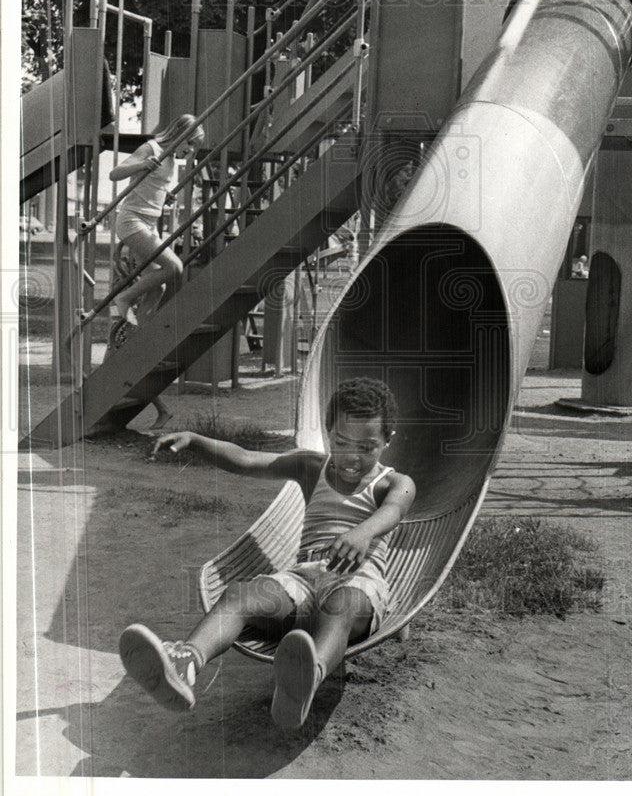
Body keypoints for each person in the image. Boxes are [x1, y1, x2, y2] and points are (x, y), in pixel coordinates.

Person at [119, 377, 415, 730]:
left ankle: (309, 676)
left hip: (358, 583)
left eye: (367, 447)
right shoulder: (311, 467)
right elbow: (246, 459)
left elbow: (394, 510)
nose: (351, 457)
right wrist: (197, 441)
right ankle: (186, 662)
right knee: (241, 595)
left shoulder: (394, 483)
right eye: (341, 442)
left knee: (342, 606)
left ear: (387, 441)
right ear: (327, 431)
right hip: (301, 581)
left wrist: (362, 533)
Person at [110, 113, 204, 326]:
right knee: (174, 267)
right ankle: (124, 297)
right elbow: (115, 174)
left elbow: (154, 185)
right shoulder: (151, 149)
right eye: (189, 143)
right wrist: (142, 165)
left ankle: (139, 334)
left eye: (194, 147)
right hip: (132, 220)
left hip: (149, 224)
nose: (190, 150)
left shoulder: (169, 159)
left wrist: (165, 194)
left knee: (158, 286)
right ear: (179, 133)